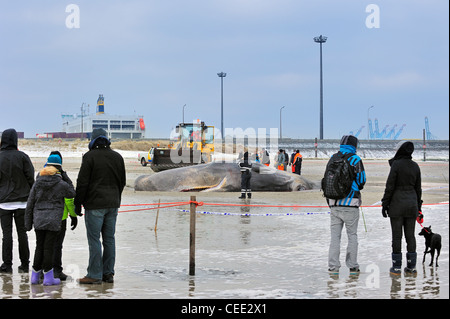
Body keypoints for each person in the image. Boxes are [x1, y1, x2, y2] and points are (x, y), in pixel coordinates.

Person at [75, 128, 126, 284]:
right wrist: (116, 198)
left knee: (94, 240)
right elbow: (122, 182)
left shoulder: (89, 157)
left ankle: (94, 275)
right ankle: (108, 274)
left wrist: (78, 204)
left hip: (94, 204)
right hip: (113, 204)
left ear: (93, 141)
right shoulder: (118, 157)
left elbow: (82, 183)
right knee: (109, 239)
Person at [25, 154, 76, 285]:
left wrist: (28, 223)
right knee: (49, 248)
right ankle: (48, 278)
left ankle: (35, 277)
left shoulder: (38, 182)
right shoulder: (60, 183)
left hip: (39, 219)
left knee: (39, 247)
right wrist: (65, 176)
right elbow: (72, 192)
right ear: (59, 168)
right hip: (54, 220)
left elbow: (30, 203)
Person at [325, 135, 366, 275]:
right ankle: (353, 266)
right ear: (355, 146)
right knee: (352, 235)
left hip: (333, 203)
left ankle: (333, 267)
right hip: (351, 204)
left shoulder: (333, 158)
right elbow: (361, 181)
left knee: (335, 237)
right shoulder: (355, 159)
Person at [381, 141, 422, 275]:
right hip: (412, 205)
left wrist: (384, 204)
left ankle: (396, 267)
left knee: (397, 236)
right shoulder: (415, 166)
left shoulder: (396, 165)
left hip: (397, 205)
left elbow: (390, 186)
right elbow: (418, 189)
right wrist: (419, 207)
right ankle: (411, 267)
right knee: (410, 236)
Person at [0, 128, 34, 273]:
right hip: (22, 202)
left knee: (6, 235)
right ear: (15, 140)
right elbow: (31, 179)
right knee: (22, 234)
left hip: (3, 202)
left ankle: (7, 265)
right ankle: (25, 265)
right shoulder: (23, 157)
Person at [46, 151, 79, 280]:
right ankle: (57, 271)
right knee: (57, 245)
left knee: (44, 245)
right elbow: (68, 198)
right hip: (60, 217)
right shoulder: (62, 178)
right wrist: (73, 215)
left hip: (43, 216)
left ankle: (44, 271)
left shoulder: (40, 176)